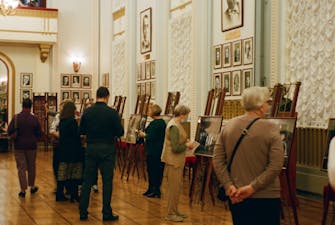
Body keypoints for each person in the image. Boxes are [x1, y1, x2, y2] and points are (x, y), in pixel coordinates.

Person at [213, 86, 284, 225]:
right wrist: (252, 188)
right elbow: (276, 166)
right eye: (267, 102)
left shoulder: (228, 126)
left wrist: (229, 186)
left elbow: (217, 160)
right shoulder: (271, 128)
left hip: (236, 195)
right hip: (266, 195)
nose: (268, 105)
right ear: (260, 106)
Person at [79, 87, 124, 221]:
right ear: (107, 97)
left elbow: (81, 131)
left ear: (97, 96)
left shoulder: (87, 112)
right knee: (107, 182)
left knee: (87, 181)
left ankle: (82, 211)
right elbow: (120, 132)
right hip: (107, 150)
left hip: (91, 148)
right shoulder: (112, 113)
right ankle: (106, 213)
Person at [161, 105, 194, 222]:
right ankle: (170, 213)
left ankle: (175, 210)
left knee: (176, 188)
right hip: (173, 161)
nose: (187, 117)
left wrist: (186, 141)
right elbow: (175, 147)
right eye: (187, 114)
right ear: (182, 114)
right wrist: (187, 145)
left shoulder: (176, 124)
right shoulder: (173, 126)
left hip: (177, 161)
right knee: (173, 190)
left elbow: (179, 140)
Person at [7, 98, 41, 198]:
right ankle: (32, 186)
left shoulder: (16, 117)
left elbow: (9, 130)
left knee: (21, 168)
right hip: (31, 146)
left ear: (22, 106)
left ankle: (22, 190)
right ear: (31, 106)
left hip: (19, 146)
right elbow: (39, 132)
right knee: (31, 167)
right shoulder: (34, 118)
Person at [56, 101, 83, 202]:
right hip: (73, 150)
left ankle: (59, 193)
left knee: (63, 172)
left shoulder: (62, 121)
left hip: (63, 150)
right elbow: (76, 135)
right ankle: (74, 194)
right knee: (74, 173)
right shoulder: (72, 121)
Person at [138, 104, 166, 198]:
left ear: (153, 112)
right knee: (151, 170)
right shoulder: (157, 122)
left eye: (150, 110)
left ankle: (156, 190)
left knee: (155, 170)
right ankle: (151, 188)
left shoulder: (158, 123)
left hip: (155, 151)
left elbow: (152, 136)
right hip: (152, 150)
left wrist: (144, 135)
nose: (148, 112)